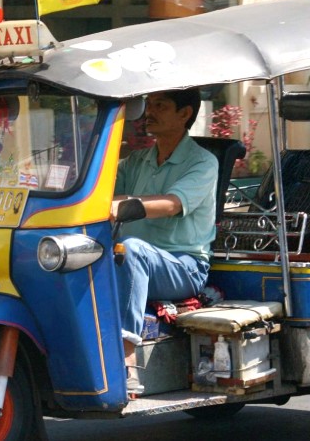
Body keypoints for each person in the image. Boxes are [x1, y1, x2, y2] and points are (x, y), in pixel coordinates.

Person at [111, 88, 218, 395]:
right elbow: (103, 192)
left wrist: (122, 204)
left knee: (131, 250)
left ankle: (128, 357)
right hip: (133, 259)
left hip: (184, 266)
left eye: (161, 105)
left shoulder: (203, 162)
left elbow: (172, 204)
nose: (150, 111)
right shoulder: (137, 160)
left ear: (184, 114)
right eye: (149, 104)